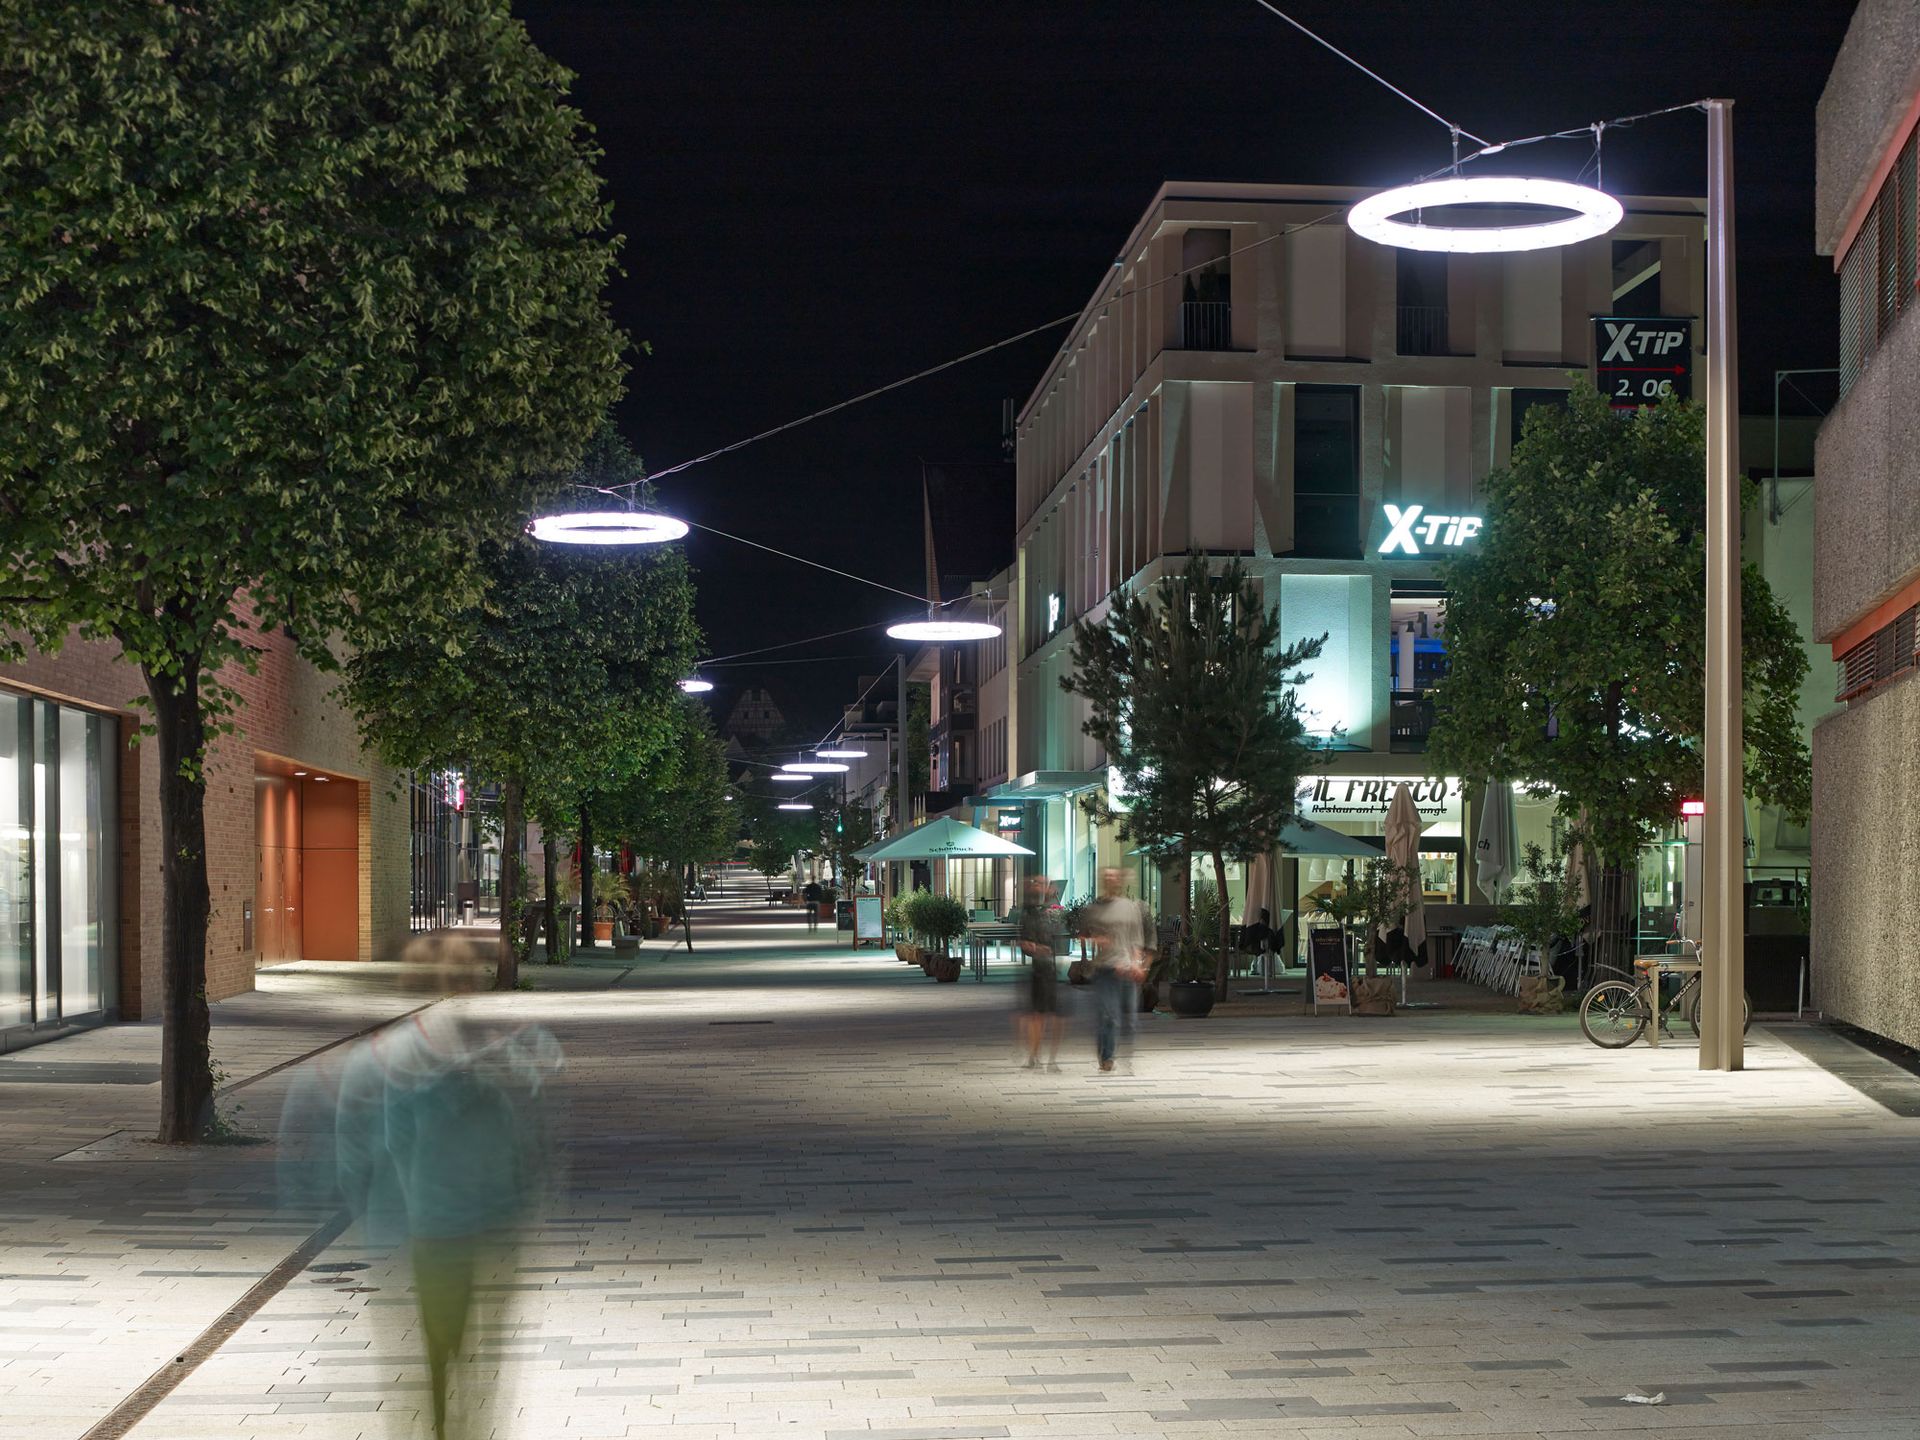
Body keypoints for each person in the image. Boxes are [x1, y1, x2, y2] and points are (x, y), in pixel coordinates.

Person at [1082, 866, 1151, 1073]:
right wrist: (1096, 939)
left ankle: (1126, 1057)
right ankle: (1107, 1055)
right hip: (1104, 968)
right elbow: (1082, 935)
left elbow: (1136, 939)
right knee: (1109, 1015)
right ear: (1103, 880)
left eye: (1114, 876)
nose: (1110, 879)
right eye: (1107, 876)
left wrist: (1138, 964)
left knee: (1130, 1020)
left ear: (1119, 880)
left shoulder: (1130, 907)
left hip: (1127, 968)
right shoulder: (1094, 908)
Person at [1015, 874, 1066, 1071]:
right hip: (1038, 970)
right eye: (1036, 883)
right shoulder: (1029, 913)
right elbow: (1024, 943)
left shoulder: (1052, 912)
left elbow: (1060, 936)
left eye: (1043, 884)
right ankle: (1034, 1056)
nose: (1039, 887)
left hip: (1053, 970)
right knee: (1038, 1015)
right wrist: (1036, 948)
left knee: (1054, 1016)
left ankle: (1051, 1059)